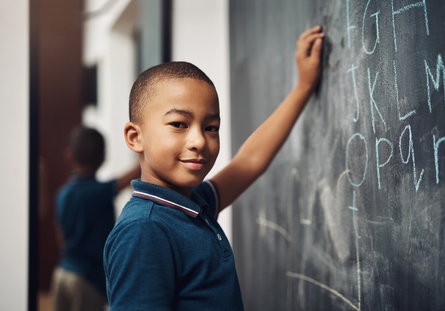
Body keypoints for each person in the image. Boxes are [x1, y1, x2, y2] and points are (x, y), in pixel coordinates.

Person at [103, 26, 325, 310]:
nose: (199, 141)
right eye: (179, 124)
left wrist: (303, 88)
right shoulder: (145, 230)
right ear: (136, 138)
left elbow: (250, 161)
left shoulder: (194, 204)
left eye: (211, 128)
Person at [52, 126, 140, 311]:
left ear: (69, 156)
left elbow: (60, 237)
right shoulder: (98, 193)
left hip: (62, 273)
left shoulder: (62, 195)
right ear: (103, 158)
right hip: (86, 280)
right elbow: (127, 179)